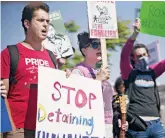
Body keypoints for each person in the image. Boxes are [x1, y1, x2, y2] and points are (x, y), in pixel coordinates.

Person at [0, 2, 68, 138]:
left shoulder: (52, 56)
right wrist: (9, 130)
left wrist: (67, 79)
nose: (46, 25)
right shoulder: (10, 53)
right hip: (19, 129)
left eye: (47, 21)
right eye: (40, 20)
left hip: (47, 129)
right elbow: (2, 96)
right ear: (27, 23)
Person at [120, 18, 165, 138]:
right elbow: (124, 55)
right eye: (138, 56)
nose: (142, 57)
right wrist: (135, 34)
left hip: (157, 125)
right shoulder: (129, 73)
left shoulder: (152, 72)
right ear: (133, 59)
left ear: (148, 55)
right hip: (138, 125)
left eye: (144, 54)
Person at [71, 32, 126, 138]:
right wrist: (98, 80)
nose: (100, 48)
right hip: (88, 124)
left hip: (106, 124)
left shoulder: (100, 72)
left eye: (101, 45)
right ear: (84, 51)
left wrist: (118, 119)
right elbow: (78, 101)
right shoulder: (78, 72)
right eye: (95, 45)